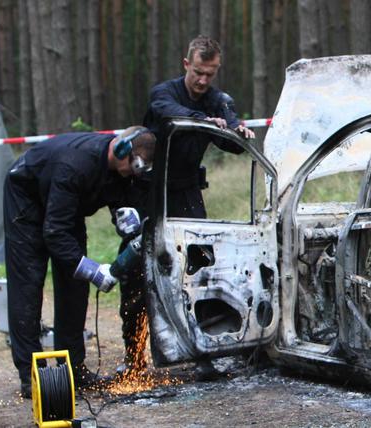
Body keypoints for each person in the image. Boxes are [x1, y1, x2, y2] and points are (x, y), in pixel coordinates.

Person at [118, 35, 254, 379]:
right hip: (150, 191)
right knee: (137, 273)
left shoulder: (218, 100)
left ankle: (203, 352)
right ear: (186, 65)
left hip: (188, 192)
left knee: (200, 269)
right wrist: (204, 119)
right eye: (198, 72)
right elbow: (171, 114)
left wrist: (239, 131)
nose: (203, 80)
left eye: (210, 73)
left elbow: (233, 140)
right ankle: (133, 362)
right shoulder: (164, 94)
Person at [5, 127, 156, 398]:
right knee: (28, 285)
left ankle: (73, 368)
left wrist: (124, 216)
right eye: (132, 167)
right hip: (27, 200)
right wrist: (93, 270)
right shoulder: (75, 165)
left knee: (74, 286)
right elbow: (54, 232)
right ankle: (31, 374)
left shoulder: (122, 170)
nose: (132, 175)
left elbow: (120, 199)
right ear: (121, 150)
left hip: (65, 208)